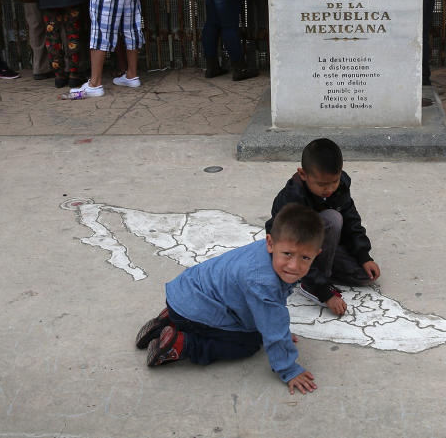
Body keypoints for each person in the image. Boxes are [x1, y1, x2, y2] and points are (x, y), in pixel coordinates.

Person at [134, 203, 323, 395]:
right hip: (193, 309)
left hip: (185, 293)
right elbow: (272, 323)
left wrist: (273, 329)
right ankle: (181, 343)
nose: (294, 265)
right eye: (288, 254)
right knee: (248, 344)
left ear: (317, 254)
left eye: (305, 258)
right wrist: (288, 369)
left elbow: (269, 312)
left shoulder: (272, 248)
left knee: (259, 329)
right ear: (270, 243)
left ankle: (168, 321)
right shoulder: (263, 281)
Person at [267, 138, 380, 317]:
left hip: (319, 247)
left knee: (364, 276)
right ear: (303, 174)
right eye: (321, 184)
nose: (329, 189)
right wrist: (325, 292)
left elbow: (351, 220)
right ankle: (310, 284)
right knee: (332, 218)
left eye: (334, 182)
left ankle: (318, 272)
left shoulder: (340, 186)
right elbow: (295, 247)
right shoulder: (293, 199)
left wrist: (364, 256)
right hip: (294, 250)